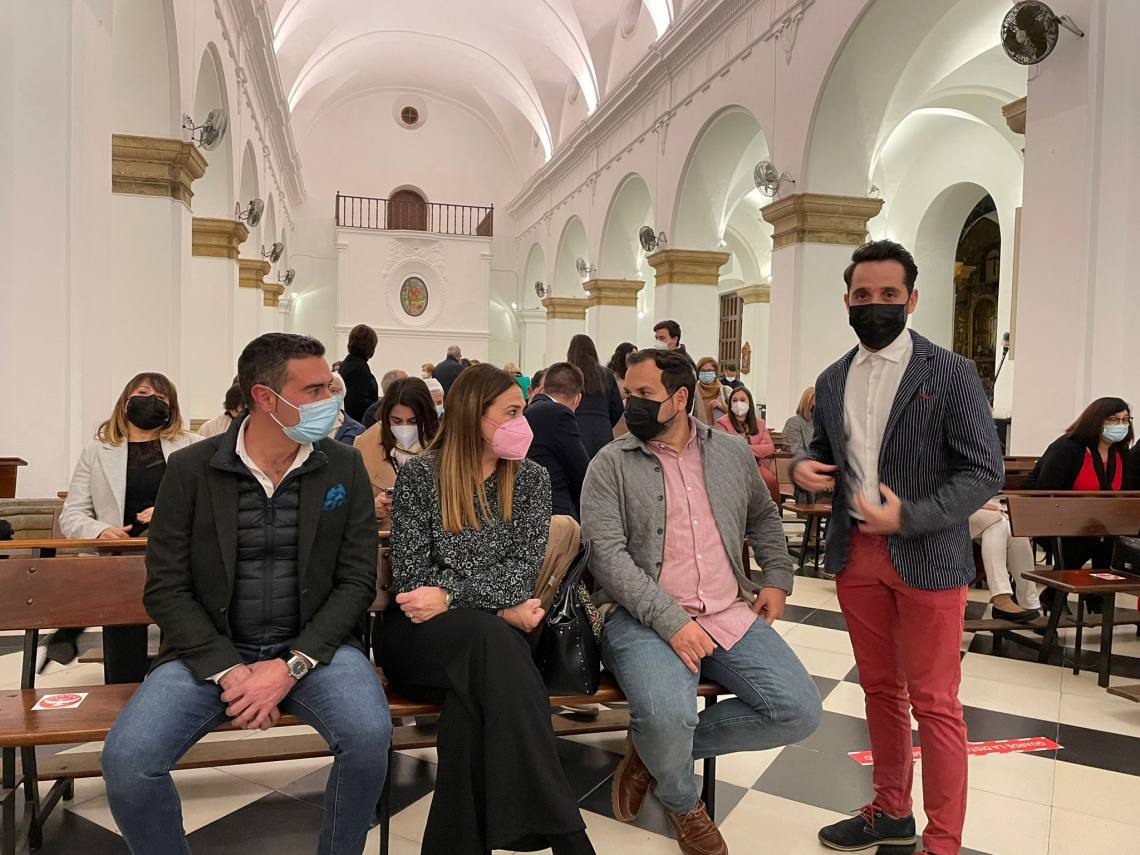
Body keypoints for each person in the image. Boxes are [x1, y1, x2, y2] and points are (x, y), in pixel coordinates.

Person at [101, 333, 390, 855]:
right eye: (314, 390)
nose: (330, 400)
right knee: (128, 761)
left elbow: (355, 583)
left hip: (314, 650)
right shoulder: (191, 470)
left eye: (328, 387)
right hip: (209, 651)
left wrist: (290, 666)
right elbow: (165, 588)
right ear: (264, 397)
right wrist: (230, 671)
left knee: (370, 739)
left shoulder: (342, 466)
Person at [792, 240, 1003, 855]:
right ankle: (890, 811)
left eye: (888, 294)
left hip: (929, 556)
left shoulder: (950, 372)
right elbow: (824, 450)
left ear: (911, 300)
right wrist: (804, 465)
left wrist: (909, 516)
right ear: (847, 302)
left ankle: (944, 842)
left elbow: (982, 471)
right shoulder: (833, 378)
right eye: (863, 295)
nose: (875, 304)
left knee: (935, 703)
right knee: (880, 690)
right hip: (856, 555)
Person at [581, 348, 820, 855]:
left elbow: (763, 517)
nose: (632, 403)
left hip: (725, 610)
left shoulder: (730, 452)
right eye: (628, 393)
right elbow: (607, 557)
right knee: (668, 716)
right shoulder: (611, 462)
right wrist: (671, 621)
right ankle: (683, 802)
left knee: (798, 711)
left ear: (680, 398)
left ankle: (651, 755)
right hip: (642, 618)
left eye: (644, 394)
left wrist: (777, 578)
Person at [380, 364, 596, 855]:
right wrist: (498, 608)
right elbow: (413, 584)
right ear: (473, 415)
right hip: (422, 639)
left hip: (489, 647)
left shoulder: (530, 479)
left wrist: (452, 596)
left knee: (469, 709)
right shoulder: (421, 476)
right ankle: (569, 838)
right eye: (512, 412)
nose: (523, 423)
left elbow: (520, 577)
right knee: (491, 640)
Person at [56, 372, 201, 682]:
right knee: (123, 663)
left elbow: (212, 503)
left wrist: (167, 512)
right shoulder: (97, 451)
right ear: (125, 403)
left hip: (180, 561)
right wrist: (99, 531)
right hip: (120, 562)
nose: (152, 401)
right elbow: (72, 514)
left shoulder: (192, 446)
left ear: (171, 408)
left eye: (161, 398)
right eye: (143, 393)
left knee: (179, 657)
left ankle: (174, 696)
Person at [1022, 397, 1135, 613]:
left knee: (1109, 537)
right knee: (1091, 539)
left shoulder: (1120, 452)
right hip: (1055, 522)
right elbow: (1045, 490)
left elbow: (1124, 494)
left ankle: (1096, 594)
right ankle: (1058, 595)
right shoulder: (1067, 448)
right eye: (1113, 419)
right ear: (1096, 420)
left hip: (1098, 524)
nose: (1120, 425)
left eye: (1125, 420)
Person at [354, 377, 440, 528]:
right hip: (385, 536)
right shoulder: (365, 445)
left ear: (426, 416)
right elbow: (352, 507)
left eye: (414, 421)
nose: (405, 427)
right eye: (397, 421)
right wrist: (373, 509)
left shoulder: (444, 445)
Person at [524, 362, 589, 518]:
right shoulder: (559, 414)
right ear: (577, 399)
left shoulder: (531, 410)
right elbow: (580, 469)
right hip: (554, 508)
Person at [969, 502, 1041, 621]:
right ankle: (1001, 598)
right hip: (946, 510)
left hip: (971, 506)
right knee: (998, 521)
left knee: (1012, 527)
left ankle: (1029, 603)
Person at [567, 333, 623, 458]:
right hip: (602, 429)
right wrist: (604, 420)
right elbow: (617, 408)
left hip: (575, 425)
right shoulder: (607, 374)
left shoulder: (568, 374)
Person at [715, 385, 775, 468]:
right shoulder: (721, 423)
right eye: (734, 400)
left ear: (749, 402)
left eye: (742, 400)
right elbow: (727, 449)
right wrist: (758, 449)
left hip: (757, 467)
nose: (738, 403)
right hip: (733, 467)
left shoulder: (760, 423)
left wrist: (741, 448)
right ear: (730, 404)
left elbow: (770, 448)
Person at [339, 323, 379, 422]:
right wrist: (379, 406)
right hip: (358, 422)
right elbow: (356, 403)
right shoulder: (358, 369)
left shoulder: (350, 363)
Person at [327, 372, 365, 445]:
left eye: (334, 391)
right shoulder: (309, 426)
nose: (328, 395)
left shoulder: (357, 429)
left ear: (343, 393)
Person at [692, 356, 729, 426]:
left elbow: (736, 415)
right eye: (703, 371)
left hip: (722, 432)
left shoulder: (726, 391)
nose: (706, 373)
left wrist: (722, 406)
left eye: (709, 371)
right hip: (699, 431)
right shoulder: (692, 392)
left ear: (715, 372)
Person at [782, 387, 816, 454]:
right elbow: (797, 451)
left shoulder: (825, 424)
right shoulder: (794, 422)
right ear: (808, 403)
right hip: (807, 459)